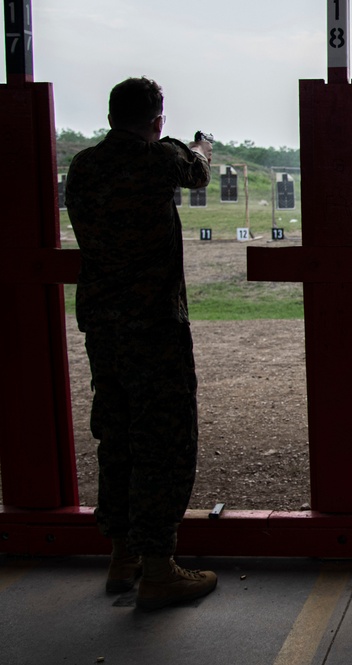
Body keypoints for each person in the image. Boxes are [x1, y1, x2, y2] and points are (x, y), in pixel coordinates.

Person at [66, 77, 218, 610]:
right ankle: (158, 567)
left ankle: (121, 555)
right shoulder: (158, 160)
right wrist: (193, 144)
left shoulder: (84, 165)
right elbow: (196, 172)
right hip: (154, 326)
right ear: (157, 120)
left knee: (118, 434)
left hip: (103, 328)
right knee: (162, 440)